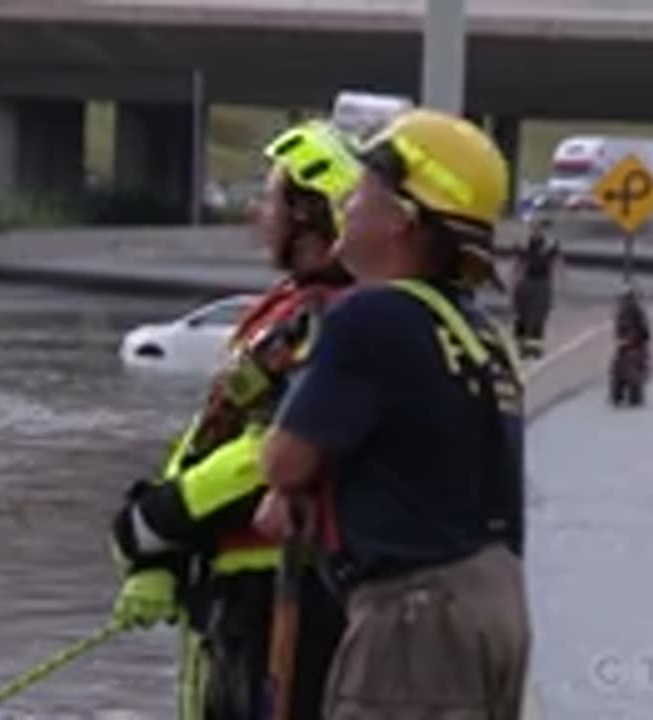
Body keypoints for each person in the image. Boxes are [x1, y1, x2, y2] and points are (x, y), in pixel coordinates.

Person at [254, 108, 531, 720]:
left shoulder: (371, 317)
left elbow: (283, 458)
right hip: (497, 607)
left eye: (362, 194)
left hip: (414, 617)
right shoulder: (475, 333)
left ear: (401, 220)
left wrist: (292, 480)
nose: (346, 207)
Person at [109, 119, 358, 719]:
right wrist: (161, 545)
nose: (258, 211)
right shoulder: (287, 310)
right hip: (234, 589)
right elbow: (213, 428)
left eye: (270, 196)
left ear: (306, 213)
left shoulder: (335, 320)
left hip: (283, 589)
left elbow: (274, 448)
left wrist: (167, 515)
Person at [512, 215, 563, 359]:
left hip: (542, 283)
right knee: (523, 316)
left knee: (539, 317)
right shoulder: (524, 244)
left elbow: (557, 262)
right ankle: (522, 347)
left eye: (539, 228)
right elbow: (518, 263)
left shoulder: (549, 246)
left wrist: (561, 280)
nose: (537, 231)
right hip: (526, 282)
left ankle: (535, 348)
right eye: (534, 228)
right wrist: (515, 282)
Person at [610, 283, 651, 407]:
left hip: (636, 348)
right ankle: (621, 393)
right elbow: (619, 333)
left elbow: (644, 333)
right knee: (618, 368)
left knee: (629, 370)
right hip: (627, 348)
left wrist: (632, 340)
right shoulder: (623, 314)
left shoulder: (635, 313)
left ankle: (631, 393)